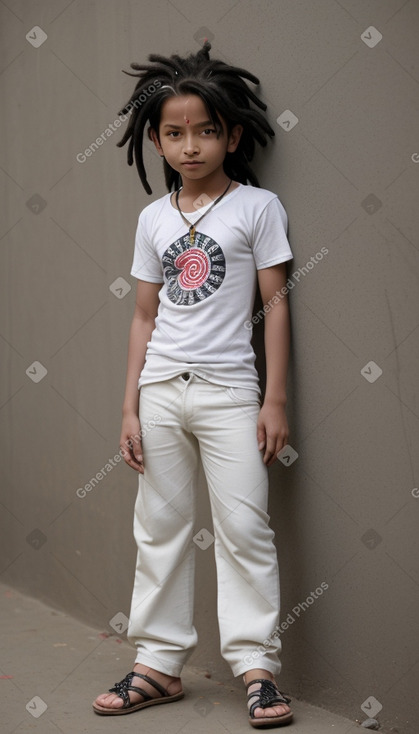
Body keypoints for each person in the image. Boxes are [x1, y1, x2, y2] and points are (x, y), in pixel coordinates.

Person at [93, 42, 294, 728]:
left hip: (230, 392)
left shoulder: (256, 208)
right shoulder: (153, 219)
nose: (190, 146)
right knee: (160, 529)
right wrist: (128, 407)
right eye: (174, 134)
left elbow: (274, 305)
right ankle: (158, 663)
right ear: (155, 139)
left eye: (205, 131)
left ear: (232, 135)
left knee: (244, 528)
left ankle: (256, 668)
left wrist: (273, 400)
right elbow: (143, 315)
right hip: (160, 392)